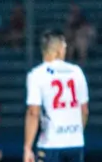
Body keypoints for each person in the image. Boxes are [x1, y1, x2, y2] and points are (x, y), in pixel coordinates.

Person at [23, 29, 89, 162]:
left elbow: (33, 113)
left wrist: (27, 147)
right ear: (59, 49)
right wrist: (76, 133)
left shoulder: (37, 74)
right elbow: (84, 111)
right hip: (75, 143)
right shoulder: (77, 72)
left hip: (50, 142)